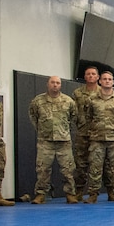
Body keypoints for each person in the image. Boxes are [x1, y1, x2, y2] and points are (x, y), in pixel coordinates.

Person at [28, 75, 77, 204]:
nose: (55, 85)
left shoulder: (69, 101)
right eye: (53, 82)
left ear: (60, 85)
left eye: (58, 83)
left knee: (68, 170)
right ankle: (40, 194)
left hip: (64, 141)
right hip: (45, 141)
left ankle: (70, 194)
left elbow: (74, 118)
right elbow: (33, 116)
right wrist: (42, 129)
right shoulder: (38, 101)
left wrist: (64, 130)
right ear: (48, 84)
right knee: (42, 169)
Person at [87, 69, 114, 203]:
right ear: (100, 81)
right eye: (104, 79)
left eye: (109, 79)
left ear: (113, 82)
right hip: (97, 138)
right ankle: (93, 194)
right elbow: (88, 117)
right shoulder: (92, 99)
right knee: (95, 167)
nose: (107, 81)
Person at [71, 65, 101, 203]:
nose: (90, 76)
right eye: (88, 74)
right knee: (80, 164)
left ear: (98, 77)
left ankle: (97, 193)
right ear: (85, 77)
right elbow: (73, 112)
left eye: (93, 74)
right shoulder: (77, 93)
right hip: (82, 132)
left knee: (99, 163)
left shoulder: (103, 92)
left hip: (99, 133)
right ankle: (78, 191)